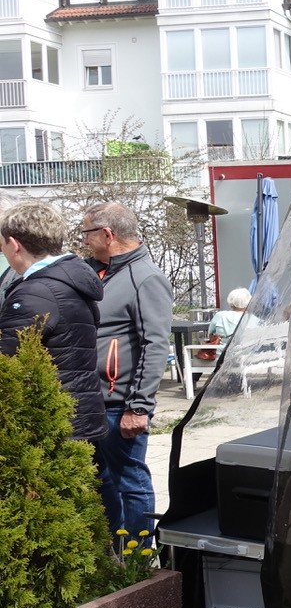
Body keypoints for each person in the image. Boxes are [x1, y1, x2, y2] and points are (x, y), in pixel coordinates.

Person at [80, 202, 174, 536]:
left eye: (86, 233)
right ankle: (112, 551)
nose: (84, 240)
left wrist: (138, 406)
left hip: (120, 405)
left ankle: (137, 559)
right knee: (99, 479)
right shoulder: (94, 271)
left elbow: (155, 345)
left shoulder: (145, 277)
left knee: (130, 482)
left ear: (107, 234)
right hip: (90, 400)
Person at [0, 201, 106, 442]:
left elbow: (7, 360)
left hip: (50, 420)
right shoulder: (69, 278)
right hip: (79, 413)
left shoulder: (35, 292)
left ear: (15, 245)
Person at [196, 287, 251, 360]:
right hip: (248, 357)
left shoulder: (220, 316)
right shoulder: (254, 319)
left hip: (222, 358)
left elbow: (210, 335)